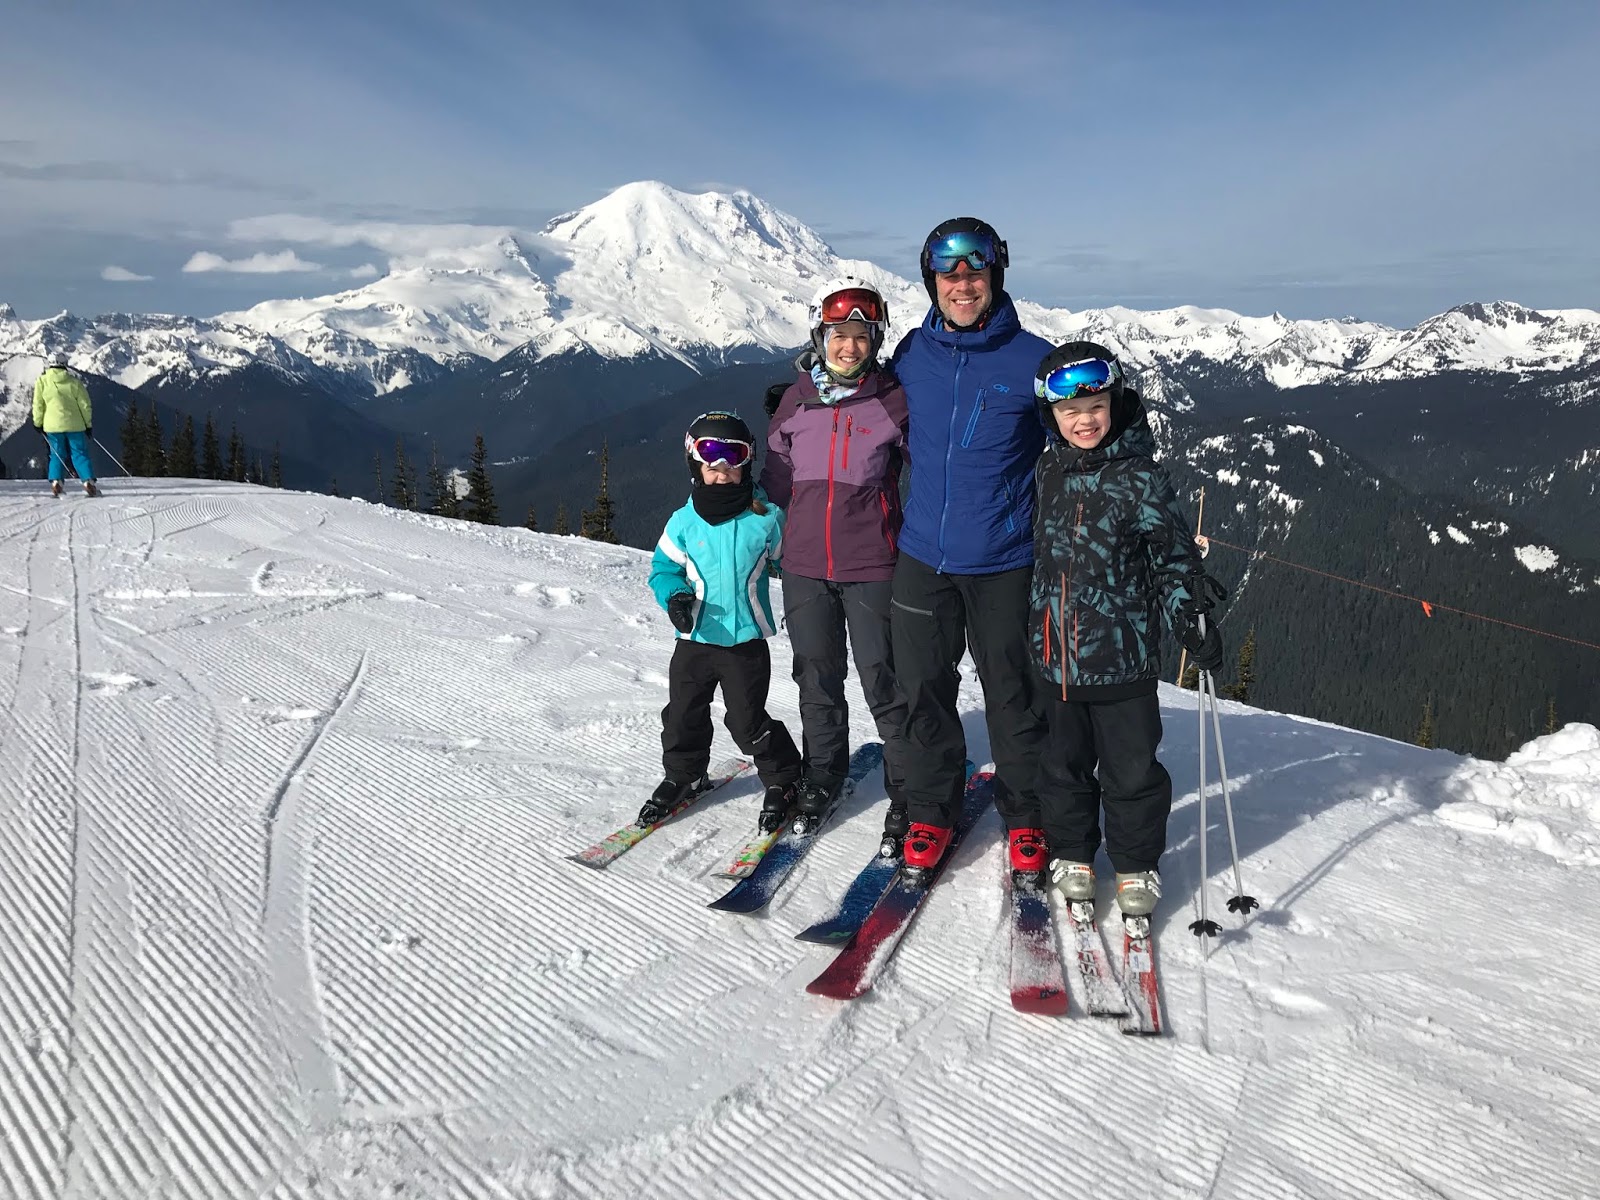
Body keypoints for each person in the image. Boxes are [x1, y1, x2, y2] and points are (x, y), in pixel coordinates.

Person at [1028, 341, 1224, 917]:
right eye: (1070, 411)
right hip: (1056, 656)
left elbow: (1173, 558)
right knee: (1062, 764)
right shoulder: (1048, 469)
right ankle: (1072, 851)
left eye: (1095, 406)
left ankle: (1136, 861)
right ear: (1052, 415)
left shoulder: (1141, 478)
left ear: (1114, 403)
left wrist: (1189, 613)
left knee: (1131, 769)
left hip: (1123, 656)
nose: (1084, 420)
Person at [886, 218, 1054, 874]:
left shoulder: (1033, 361)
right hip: (922, 554)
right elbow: (861, 409)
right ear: (930, 279)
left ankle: (1028, 812)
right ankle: (932, 808)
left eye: (975, 269)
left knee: (1013, 692)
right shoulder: (910, 354)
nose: (962, 283)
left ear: (996, 274)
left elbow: (1086, 438)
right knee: (923, 687)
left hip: (1005, 559)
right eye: (947, 271)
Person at [761, 277, 913, 849]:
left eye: (861, 336)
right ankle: (824, 773)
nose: (849, 347)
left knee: (884, 677)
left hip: (872, 562)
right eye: (838, 335)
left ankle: (908, 789)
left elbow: (929, 471)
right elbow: (776, 478)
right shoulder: (796, 399)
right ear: (819, 338)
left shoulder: (893, 400)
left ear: (875, 342)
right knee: (816, 675)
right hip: (803, 563)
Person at [643, 411, 804, 832]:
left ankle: (784, 776)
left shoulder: (765, 519)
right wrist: (674, 597)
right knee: (683, 714)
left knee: (746, 722)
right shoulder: (683, 522)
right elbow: (663, 570)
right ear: (694, 462)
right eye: (710, 457)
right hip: (694, 638)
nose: (721, 469)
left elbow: (792, 563)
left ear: (747, 461)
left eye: (733, 458)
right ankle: (684, 774)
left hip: (745, 643)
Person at [32, 351, 99, 497]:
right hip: (76, 425)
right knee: (80, 453)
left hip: (52, 426)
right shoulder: (75, 382)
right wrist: (88, 424)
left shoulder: (42, 382)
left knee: (56, 454)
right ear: (65, 364)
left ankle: (56, 482)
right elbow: (85, 405)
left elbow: (38, 404)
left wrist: (38, 422)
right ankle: (88, 481)